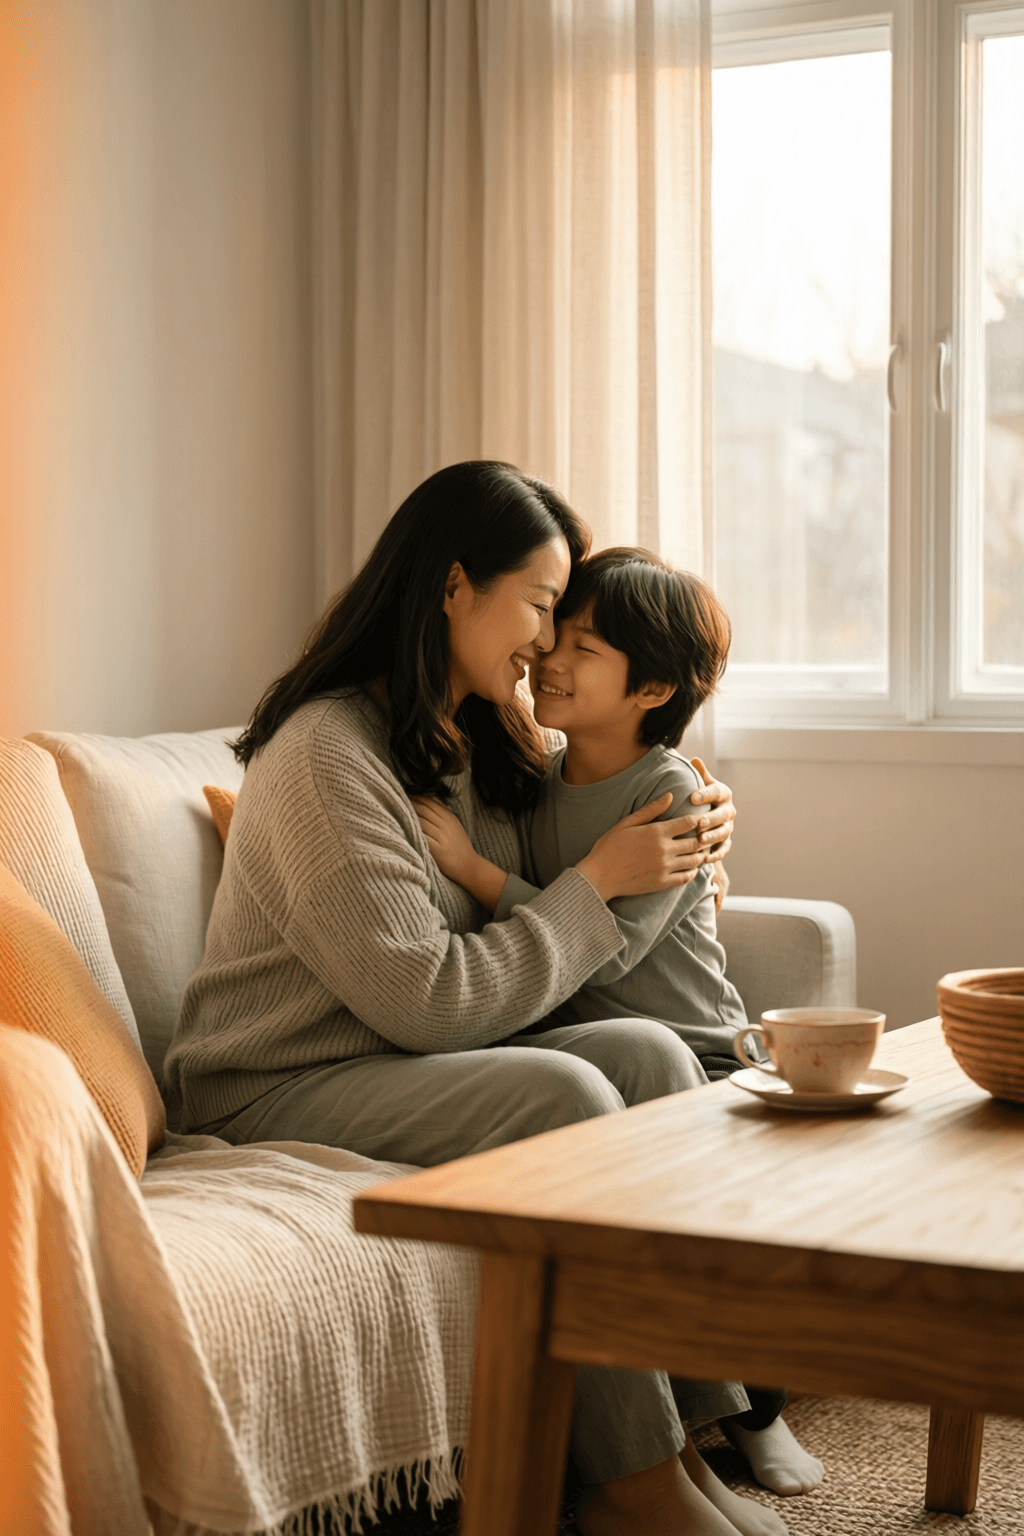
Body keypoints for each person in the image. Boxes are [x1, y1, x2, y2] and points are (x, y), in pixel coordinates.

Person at [163, 461, 786, 1536]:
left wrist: (689, 816)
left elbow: (617, 781)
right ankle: (628, 1493)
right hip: (281, 1080)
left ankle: (679, 1449)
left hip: (388, 1060)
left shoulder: (479, 734)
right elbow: (429, 1002)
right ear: (454, 588)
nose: (547, 644)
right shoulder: (324, 755)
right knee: (566, 1098)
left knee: (648, 1058)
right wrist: (595, 887)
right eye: (541, 607)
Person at [413, 547, 824, 1501]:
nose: (551, 655)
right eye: (557, 631)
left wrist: (477, 874)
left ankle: (756, 1416)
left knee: (713, 1225)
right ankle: (685, 1437)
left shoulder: (668, 791)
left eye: (584, 644)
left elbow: (612, 948)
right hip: (592, 1043)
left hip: (703, 1054)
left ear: (653, 688)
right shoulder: (534, 769)